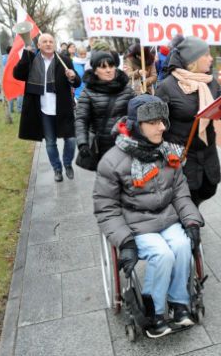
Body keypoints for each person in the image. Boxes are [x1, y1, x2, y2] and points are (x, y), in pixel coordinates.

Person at [93, 94, 203, 338]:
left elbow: (181, 193)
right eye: (153, 122)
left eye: (162, 121)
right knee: (161, 254)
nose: (162, 127)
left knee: (184, 246)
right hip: (135, 224)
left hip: (167, 217)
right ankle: (153, 312)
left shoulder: (168, 152)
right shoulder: (112, 161)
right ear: (136, 125)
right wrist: (125, 241)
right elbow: (106, 207)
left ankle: (179, 303)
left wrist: (192, 220)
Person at [156, 36, 221, 206]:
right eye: (206, 55)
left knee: (209, 188)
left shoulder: (210, 82)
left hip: (207, 149)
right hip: (182, 152)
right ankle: (186, 219)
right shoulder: (167, 86)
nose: (211, 58)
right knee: (186, 195)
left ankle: (191, 210)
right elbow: (156, 124)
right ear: (193, 59)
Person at [13, 33, 81, 182]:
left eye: (51, 41)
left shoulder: (64, 60)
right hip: (43, 110)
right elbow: (18, 74)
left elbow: (76, 83)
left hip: (63, 108)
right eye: (44, 41)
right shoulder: (32, 60)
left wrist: (73, 77)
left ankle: (67, 163)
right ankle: (57, 169)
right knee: (50, 143)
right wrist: (26, 52)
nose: (48, 44)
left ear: (55, 44)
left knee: (70, 139)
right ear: (39, 45)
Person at [75, 51, 134, 161]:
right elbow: (81, 119)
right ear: (95, 71)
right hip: (102, 146)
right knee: (106, 176)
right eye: (103, 67)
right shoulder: (88, 92)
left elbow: (136, 114)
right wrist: (83, 143)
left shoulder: (127, 89)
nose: (108, 70)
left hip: (125, 142)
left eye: (111, 66)